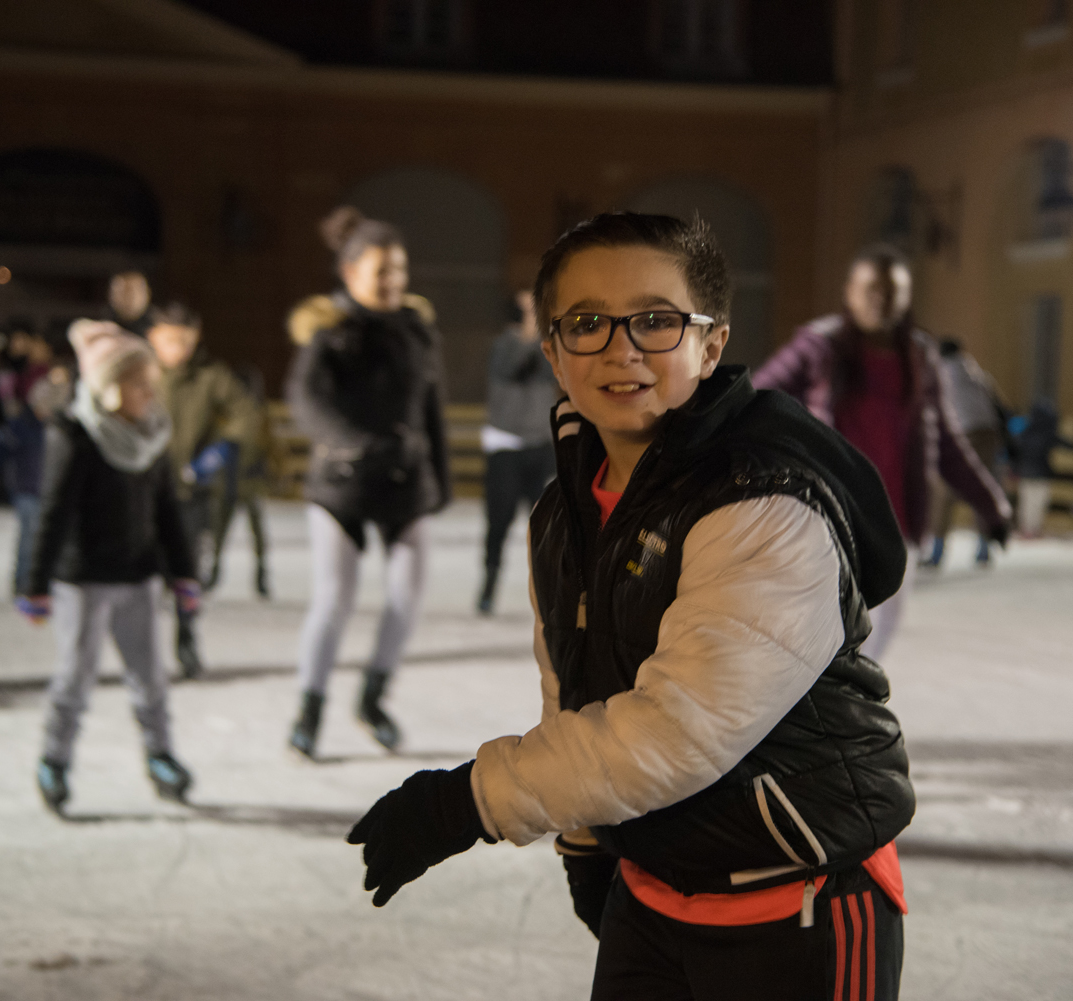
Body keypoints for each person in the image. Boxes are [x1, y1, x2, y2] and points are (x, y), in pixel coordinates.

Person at [347, 213, 913, 1000]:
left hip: (799, 902)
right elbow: (575, 689)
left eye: (655, 320)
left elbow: (679, 728)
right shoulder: (566, 509)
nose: (622, 349)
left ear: (710, 345)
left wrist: (467, 800)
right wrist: (586, 847)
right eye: (587, 323)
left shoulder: (765, 502)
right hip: (651, 896)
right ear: (552, 351)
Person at [754, 244, 1010, 661]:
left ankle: (848, 703)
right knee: (821, 633)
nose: (881, 301)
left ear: (906, 297)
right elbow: (758, 400)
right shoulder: (820, 346)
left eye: (893, 292)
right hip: (831, 516)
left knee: (878, 633)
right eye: (872, 289)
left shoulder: (920, 358)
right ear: (850, 292)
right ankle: (819, 700)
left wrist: (991, 507)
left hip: (896, 523)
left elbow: (948, 443)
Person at [284, 206, 450, 760]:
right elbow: (306, 400)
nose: (393, 281)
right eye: (381, 271)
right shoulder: (330, 330)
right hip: (343, 485)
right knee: (334, 598)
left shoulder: (416, 331)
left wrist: (439, 479)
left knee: (407, 597)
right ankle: (309, 709)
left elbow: (430, 409)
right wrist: (354, 443)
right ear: (350, 272)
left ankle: (373, 699)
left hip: (405, 481)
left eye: (399, 269)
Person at [17, 320, 198, 814]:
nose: (150, 393)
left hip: (139, 576)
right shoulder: (76, 437)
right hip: (84, 581)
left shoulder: (152, 436)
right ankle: (55, 760)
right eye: (139, 384)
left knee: (151, 678)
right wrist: (35, 584)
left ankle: (161, 756)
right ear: (109, 387)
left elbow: (167, 512)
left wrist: (184, 573)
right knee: (75, 677)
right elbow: (52, 513)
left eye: (150, 382)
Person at [146, 301, 253, 678]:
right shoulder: (141, 373)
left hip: (190, 493)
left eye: (187, 341)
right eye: (171, 340)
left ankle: (187, 636)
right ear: (153, 337)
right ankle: (142, 646)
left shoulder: (211, 376)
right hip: (144, 494)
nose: (180, 349)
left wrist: (222, 449)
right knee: (145, 573)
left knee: (188, 571)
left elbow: (245, 413)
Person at [477, 290, 557, 614]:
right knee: (499, 521)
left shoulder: (548, 347)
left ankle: (550, 591)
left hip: (541, 446)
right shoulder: (503, 346)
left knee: (546, 526)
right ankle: (490, 580)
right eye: (528, 309)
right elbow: (513, 370)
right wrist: (528, 336)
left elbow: (551, 371)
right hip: (506, 447)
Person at [0, 377, 68, 595]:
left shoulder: (57, 427)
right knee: (29, 540)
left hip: (48, 491)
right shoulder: (20, 426)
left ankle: (44, 583)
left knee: (47, 539)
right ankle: (23, 584)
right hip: (27, 490)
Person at [924, 338, 1009, 567]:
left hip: (963, 433)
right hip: (988, 434)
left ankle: (937, 551)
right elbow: (998, 407)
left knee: (944, 491)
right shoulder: (977, 374)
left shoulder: (941, 372)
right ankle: (984, 548)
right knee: (980, 485)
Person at [207, 361, 281, 599]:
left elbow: (271, 447)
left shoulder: (259, 416)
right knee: (220, 530)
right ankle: (214, 570)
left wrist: (273, 471)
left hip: (249, 481)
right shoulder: (222, 415)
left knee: (255, 531)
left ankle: (260, 573)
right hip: (227, 480)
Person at [1011, 399, 1073, 538]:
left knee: (1027, 502)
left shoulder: (1026, 432)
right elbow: (1064, 443)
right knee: (1038, 502)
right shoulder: (1047, 433)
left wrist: (1015, 468)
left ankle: (1026, 529)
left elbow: (1015, 450)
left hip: (1026, 472)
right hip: (1041, 473)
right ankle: (1032, 530)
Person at [107, 270, 153, 336]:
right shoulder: (99, 325)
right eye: (121, 292)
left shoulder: (160, 327)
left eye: (133, 292)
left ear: (147, 294)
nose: (128, 298)